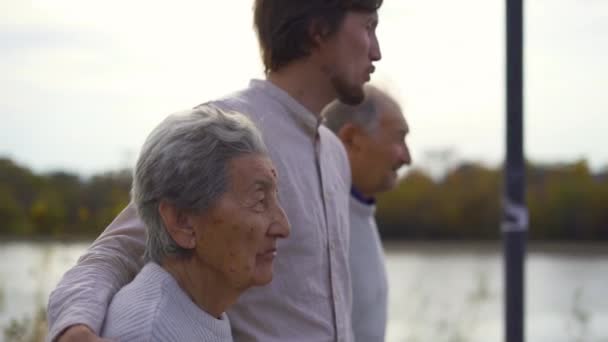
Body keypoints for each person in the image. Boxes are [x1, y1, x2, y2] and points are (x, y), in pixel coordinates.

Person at [47, 1, 383, 341]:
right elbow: (114, 253)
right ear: (318, 30)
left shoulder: (335, 153)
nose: (377, 51)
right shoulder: (226, 137)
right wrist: (74, 330)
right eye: (368, 26)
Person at [100, 106, 290, 341]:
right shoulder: (150, 333)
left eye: (275, 197)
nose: (283, 227)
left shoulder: (199, 308)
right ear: (182, 222)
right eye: (260, 200)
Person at [323, 84, 412, 342]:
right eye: (399, 138)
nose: (407, 158)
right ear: (352, 139)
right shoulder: (312, 221)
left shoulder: (359, 208)